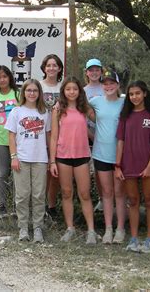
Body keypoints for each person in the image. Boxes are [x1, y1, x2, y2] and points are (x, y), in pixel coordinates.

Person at [115, 80, 150, 253]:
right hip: (128, 164)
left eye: (137, 93)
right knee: (133, 201)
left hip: (148, 165)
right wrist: (118, 165)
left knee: (149, 200)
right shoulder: (125, 115)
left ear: (144, 93)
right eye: (131, 94)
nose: (134, 97)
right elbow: (120, 142)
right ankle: (134, 238)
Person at [49, 76, 97, 244]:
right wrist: (52, 161)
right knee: (67, 193)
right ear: (63, 91)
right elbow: (54, 137)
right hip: (63, 157)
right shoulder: (58, 110)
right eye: (68, 89)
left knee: (84, 194)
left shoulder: (85, 108)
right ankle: (70, 228)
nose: (71, 92)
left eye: (75, 89)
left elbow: (101, 118)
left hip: (82, 156)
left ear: (79, 91)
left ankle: (91, 230)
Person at [5, 79, 51, 243]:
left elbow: (48, 136)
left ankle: (38, 227)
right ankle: (23, 227)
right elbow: (11, 136)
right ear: (23, 92)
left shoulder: (44, 112)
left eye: (35, 91)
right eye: (28, 90)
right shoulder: (17, 112)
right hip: (22, 158)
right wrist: (13, 156)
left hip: (40, 159)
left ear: (39, 93)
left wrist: (51, 159)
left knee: (39, 194)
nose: (32, 93)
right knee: (22, 194)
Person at [89, 69, 126, 244]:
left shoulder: (125, 103)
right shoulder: (95, 101)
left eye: (112, 83)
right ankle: (108, 229)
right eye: (105, 83)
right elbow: (79, 110)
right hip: (100, 153)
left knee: (119, 192)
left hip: (120, 155)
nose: (108, 86)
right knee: (106, 192)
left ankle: (120, 229)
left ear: (118, 85)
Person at [0, 65, 19, 219]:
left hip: (18, 140)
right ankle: (2, 207)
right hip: (0, 140)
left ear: (9, 77)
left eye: (4, 76)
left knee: (17, 173)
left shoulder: (18, 94)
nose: (2, 79)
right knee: (3, 173)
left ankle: (16, 206)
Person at [39, 54, 63, 221]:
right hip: (40, 134)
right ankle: (40, 207)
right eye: (48, 65)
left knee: (55, 173)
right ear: (44, 68)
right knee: (42, 173)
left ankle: (52, 206)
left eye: (55, 65)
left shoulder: (64, 87)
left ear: (59, 68)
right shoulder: (38, 86)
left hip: (61, 135)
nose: (52, 68)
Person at [84, 58, 104, 212]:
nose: (94, 72)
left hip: (106, 136)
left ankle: (105, 199)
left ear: (101, 71)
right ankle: (91, 201)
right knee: (89, 170)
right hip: (88, 136)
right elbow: (81, 116)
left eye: (97, 69)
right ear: (87, 72)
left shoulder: (108, 88)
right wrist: (90, 135)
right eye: (91, 70)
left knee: (103, 169)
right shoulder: (83, 91)